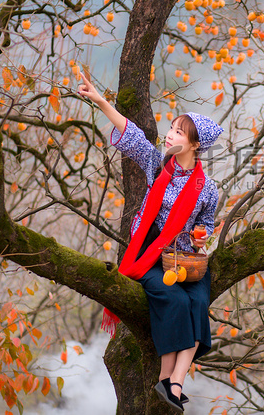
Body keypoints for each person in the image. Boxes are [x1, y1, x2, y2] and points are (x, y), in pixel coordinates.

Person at [77, 74, 223, 413]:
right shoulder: (159, 166)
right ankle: (166, 381)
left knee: (198, 305)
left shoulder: (207, 188)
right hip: (151, 255)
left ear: (195, 145)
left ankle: (174, 383)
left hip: (185, 260)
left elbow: (206, 225)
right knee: (173, 301)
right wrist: (100, 101)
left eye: (177, 132)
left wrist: (201, 238)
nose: (170, 134)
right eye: (171, 128)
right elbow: (133, 135)